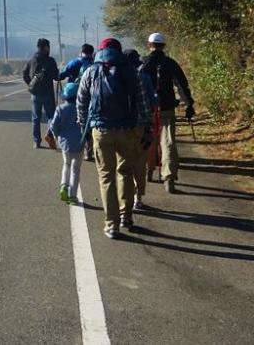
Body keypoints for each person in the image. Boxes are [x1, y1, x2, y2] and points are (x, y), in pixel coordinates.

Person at [77, 38, 152, 239]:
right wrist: (144, 128)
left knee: (106, 177)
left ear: (100, 52)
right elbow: (143, 102)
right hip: (127, 130)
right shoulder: (131, 72)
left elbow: (81, 102)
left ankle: (112, 225)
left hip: (101, 130)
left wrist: (85, 128)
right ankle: (126, 215)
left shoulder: (90, 71)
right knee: (125, 172)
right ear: (118, 51)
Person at [141, 32, 195, 194]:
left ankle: (149, 169)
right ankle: (169, 177)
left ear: (149, 45)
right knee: (168, 142)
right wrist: (189, 105)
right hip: (167, 108)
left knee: (148, 140)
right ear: (163, 46)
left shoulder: (143, 63)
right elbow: (181, 86)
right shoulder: (170, 63)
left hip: (147, 109)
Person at [125, 48, 158, 210]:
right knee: (140, 164)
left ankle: (126, 198)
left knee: (125, 165)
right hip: (141, 127)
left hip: (123, 128)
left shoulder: (118, 76)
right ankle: (138, 198)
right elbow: (152, 103)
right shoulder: (144, 77)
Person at [60, 43, 96, 161]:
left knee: (76, 120)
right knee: (89, 121)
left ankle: (75, 145)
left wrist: (58, 76)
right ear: (91, 52)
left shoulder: (75, 62)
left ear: (81, 51)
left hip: (75, 96)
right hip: (91, 96)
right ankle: (89, 150)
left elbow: (63, 74)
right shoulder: (95, 63)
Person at [49, 82, 83, 205]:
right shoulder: (81, 108)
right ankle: (73, 196)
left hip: (64, 143)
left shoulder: (60, 109)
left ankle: (64, 185)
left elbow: (53, 126)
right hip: (79, 142)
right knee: (76, 169)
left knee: (66, 164)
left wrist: (57, 136)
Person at [23, 38, 59, 149]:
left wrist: (30, 85)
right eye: (49, 47)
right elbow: (55, 76)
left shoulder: (31, 60)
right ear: (46, 47)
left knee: (36, 118)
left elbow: (24, 74)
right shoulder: (51, 60)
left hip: (35, 94)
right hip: (48, 93)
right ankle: (49, 135)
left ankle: (36, 142)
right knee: (51, 117)